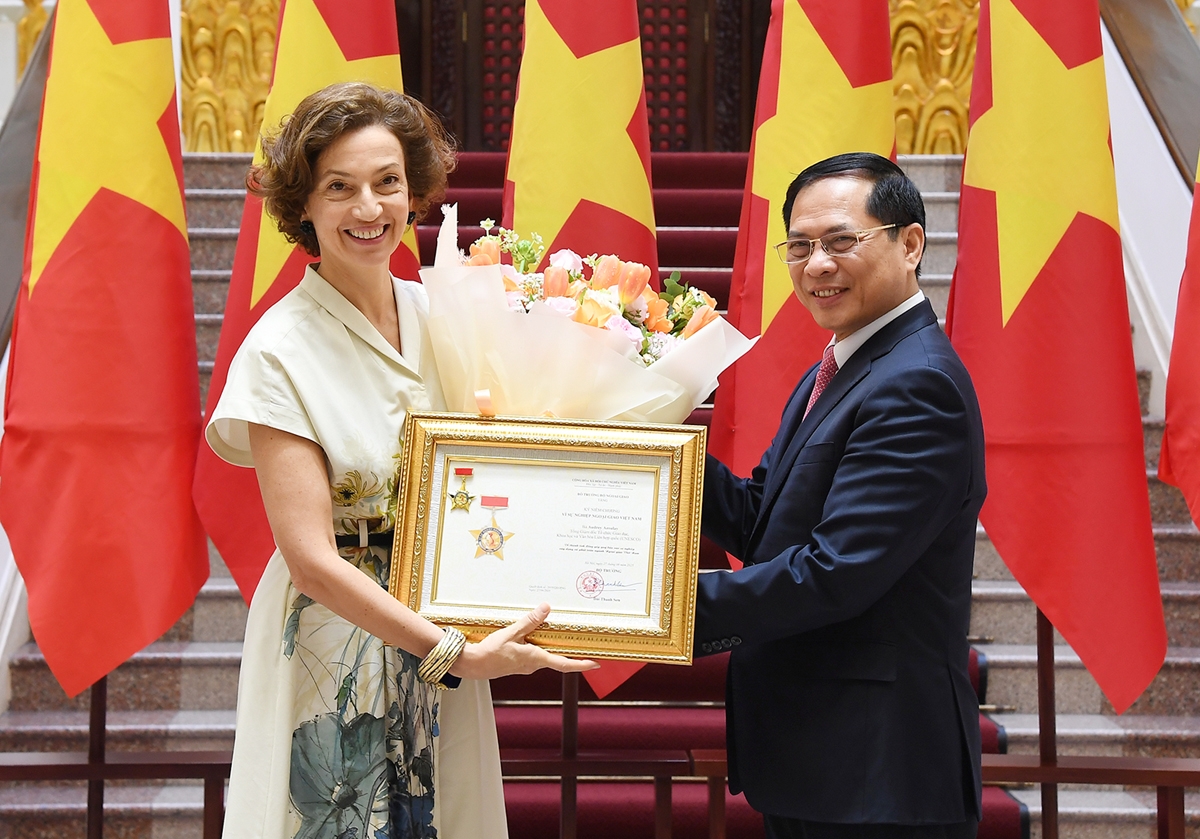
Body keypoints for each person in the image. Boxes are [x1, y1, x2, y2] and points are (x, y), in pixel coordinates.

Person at [205, 81, 595, 839]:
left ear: (413, 192)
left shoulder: (445, 314)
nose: (368, 208)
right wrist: (452, 650)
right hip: (336, 641)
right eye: (340, 187)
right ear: (304, 207)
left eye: (387, 183)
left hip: (445, 622)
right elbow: (311, 559)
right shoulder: (279, 348)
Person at [695, 152, 986, 838]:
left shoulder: (918, 385)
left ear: (910, 243)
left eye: (839, 241)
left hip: (876, 772)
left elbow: (834, 571)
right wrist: (647, 444)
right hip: (823, 759)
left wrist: (656, 606)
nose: (816, 264)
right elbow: (761, 516)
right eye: (799, 246)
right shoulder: (845, 361)